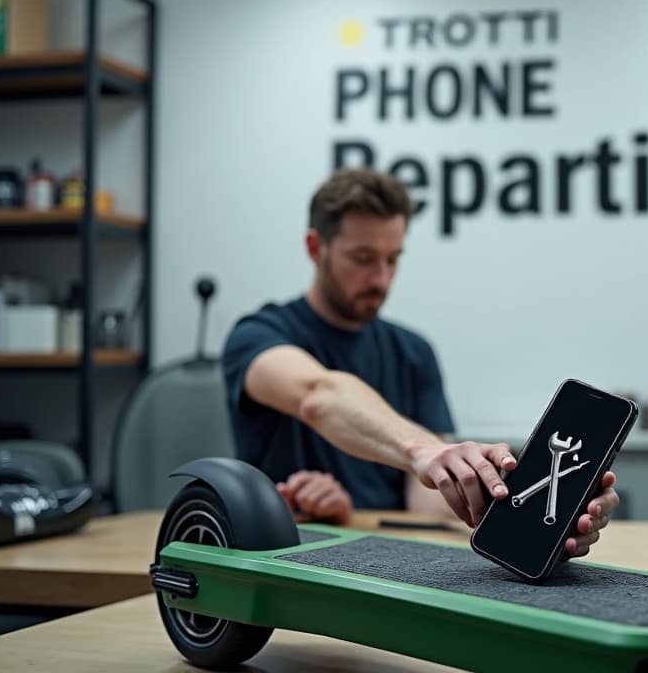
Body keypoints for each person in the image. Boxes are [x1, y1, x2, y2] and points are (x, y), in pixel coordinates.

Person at [222, 168, 619, 559]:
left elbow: (426, 499)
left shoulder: (413, 351)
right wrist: (425, 451)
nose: (381, 278)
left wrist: (511, 500)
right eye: (363, 258)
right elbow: (319, 395)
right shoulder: (256, 337)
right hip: (288, 551)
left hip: (389, 557)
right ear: (315, 247)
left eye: (392, 259)